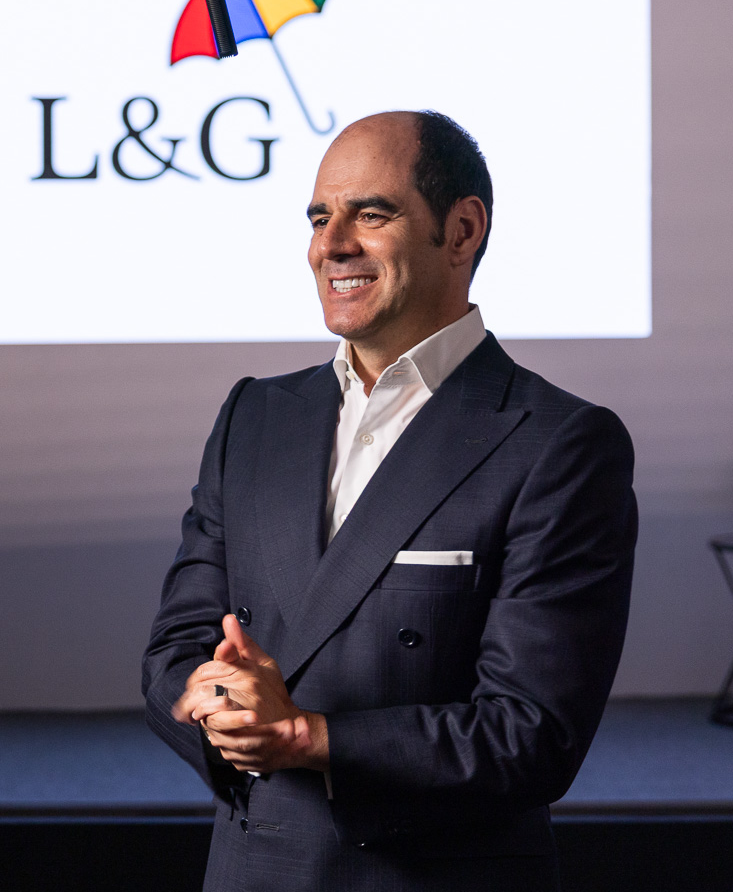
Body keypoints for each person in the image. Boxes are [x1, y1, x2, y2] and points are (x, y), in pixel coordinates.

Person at [143, 111, 637, 892]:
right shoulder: (254, 417)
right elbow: (175, 648)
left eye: (371, 213)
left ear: (462, 230)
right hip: (256, 868)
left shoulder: (560, 443)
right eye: (318, 217)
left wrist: (306, 737)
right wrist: (218, 707)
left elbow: (531, 734)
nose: (331, 243)